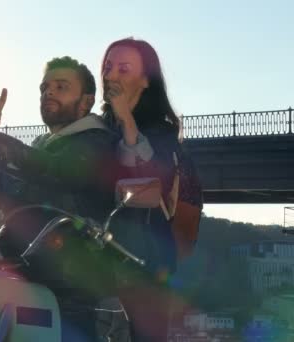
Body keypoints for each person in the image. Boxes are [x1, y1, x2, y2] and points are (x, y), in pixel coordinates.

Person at [0, 56, 130, 341]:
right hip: (19, 286)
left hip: (71, 296)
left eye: (61, 86)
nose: (49, 93)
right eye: (44, 88)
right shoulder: (36, 154)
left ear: (86, 101)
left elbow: (55, 170)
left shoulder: (98, 144)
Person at [100, 37, 183, 342]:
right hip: (100, 255)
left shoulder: (163, 130)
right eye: (108, 67)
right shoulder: (97, 128)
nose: (111, 76)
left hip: (146, 260)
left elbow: (151, 175)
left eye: (123, 68)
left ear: (146, 80)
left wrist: (128, 122)